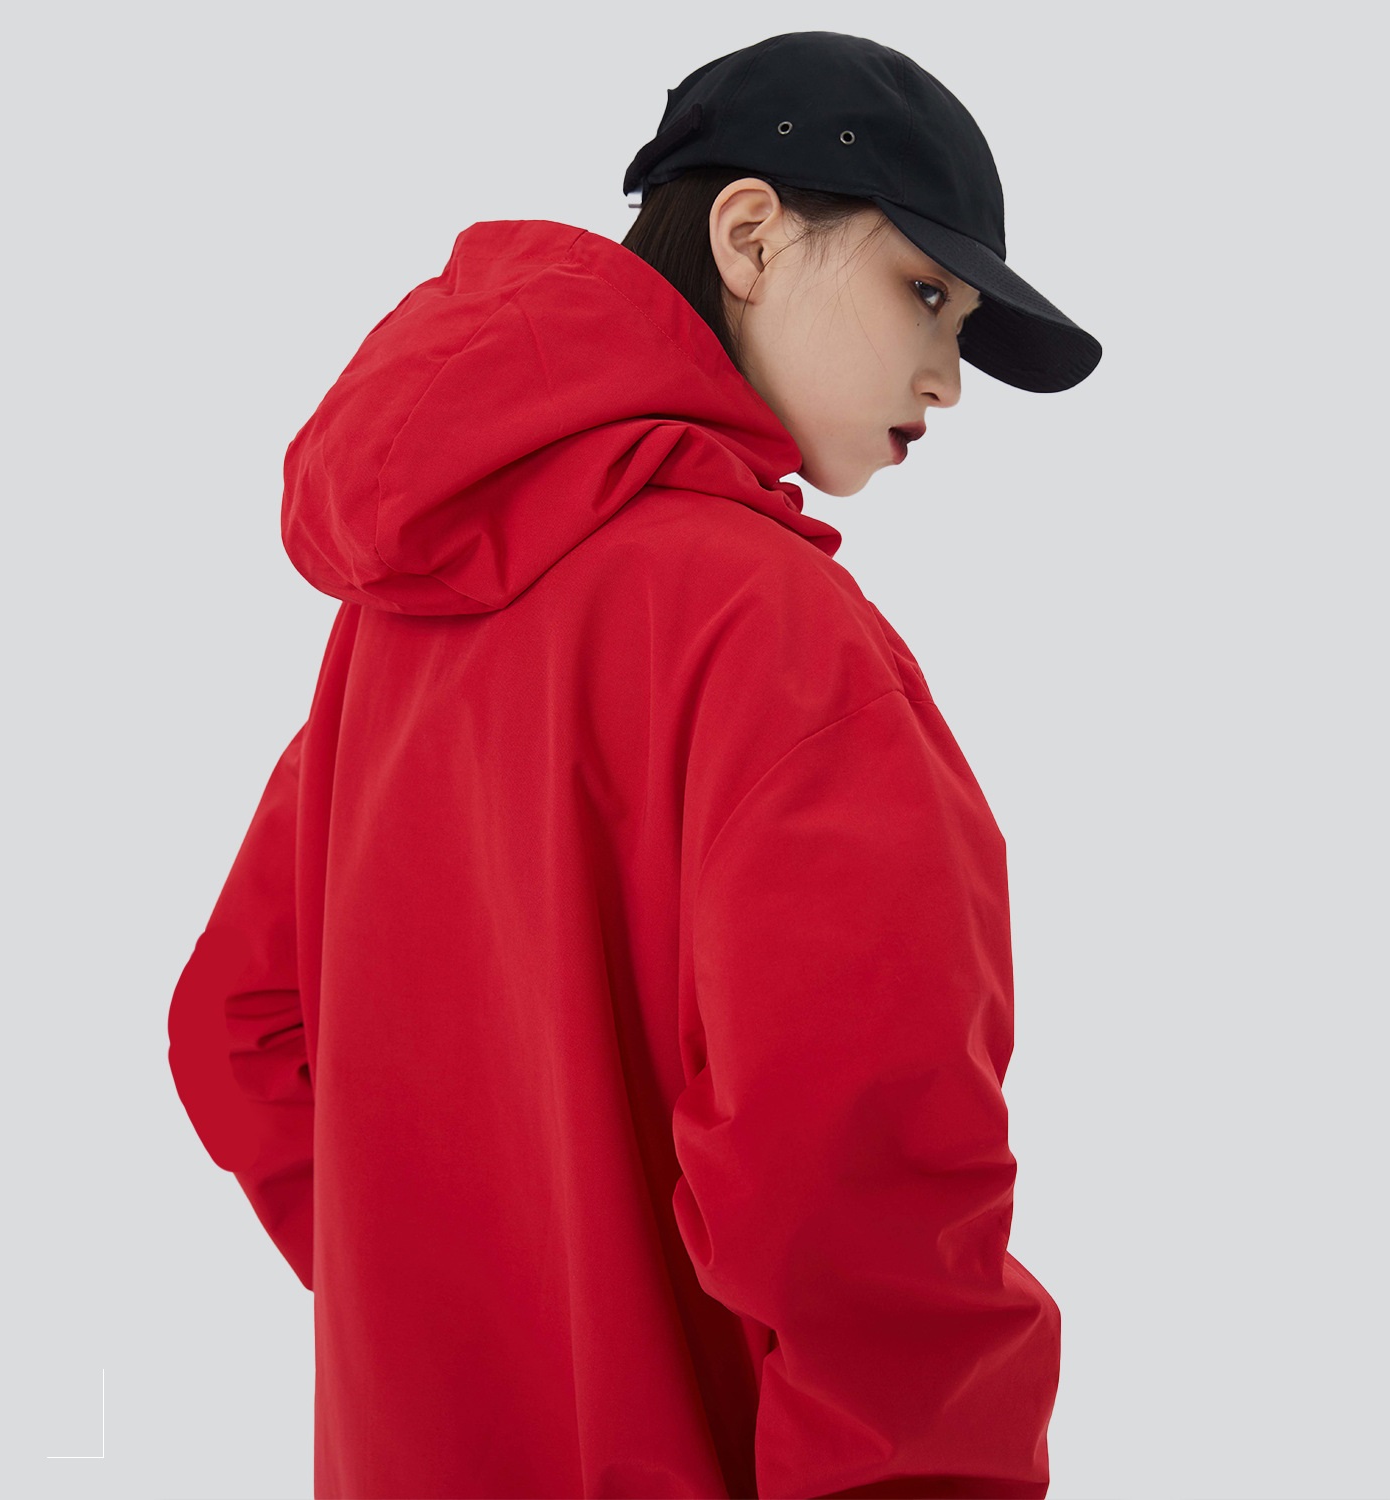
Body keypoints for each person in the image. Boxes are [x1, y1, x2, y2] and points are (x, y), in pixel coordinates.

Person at [167, 30, 1100, 1500]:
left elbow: (240, 1027)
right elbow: (863, 1212)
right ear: (750, 235)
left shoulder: (408, 614)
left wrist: (462, 1315)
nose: (950, 377)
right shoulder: (776, 640)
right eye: (925, 292)